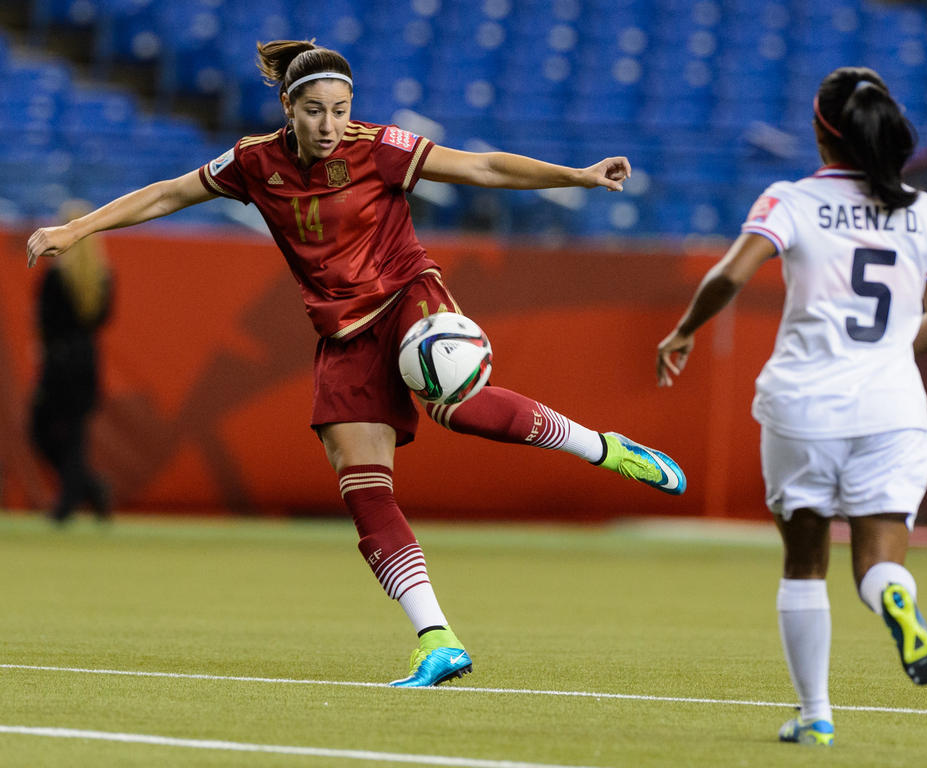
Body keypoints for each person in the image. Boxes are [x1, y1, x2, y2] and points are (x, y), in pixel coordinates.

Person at [26, 39, 686, 687]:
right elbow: (170, 195)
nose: (331, 124)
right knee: (363, 490)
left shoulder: (380, 148)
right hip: (342, 335)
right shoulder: (254, 163)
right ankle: (437, 639)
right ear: (289, 106)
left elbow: (481, 169)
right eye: (316, 110)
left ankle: (602, 447)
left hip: (407, 298)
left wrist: (576, 176)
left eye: (341, 108)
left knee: (458, 405)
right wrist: (75, 230)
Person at [655, 67, 927, 746]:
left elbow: (730, 273)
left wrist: (684, 331)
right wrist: (881, 357)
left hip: (805, 408)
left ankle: (816, 714)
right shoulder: (921, 209)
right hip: (893, 408)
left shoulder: (791, 199)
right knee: (880, 563)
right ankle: (897, 601)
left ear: (821, 133)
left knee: (804, 565)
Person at [30, 199, 113, 525]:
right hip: (87, 360)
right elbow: (104, 318)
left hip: (58, 361)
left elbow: (44, 323)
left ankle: (71, 501)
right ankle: (88, 490)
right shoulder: (101, 276)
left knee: (41, 430)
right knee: (76, 436)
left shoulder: (56, 277)